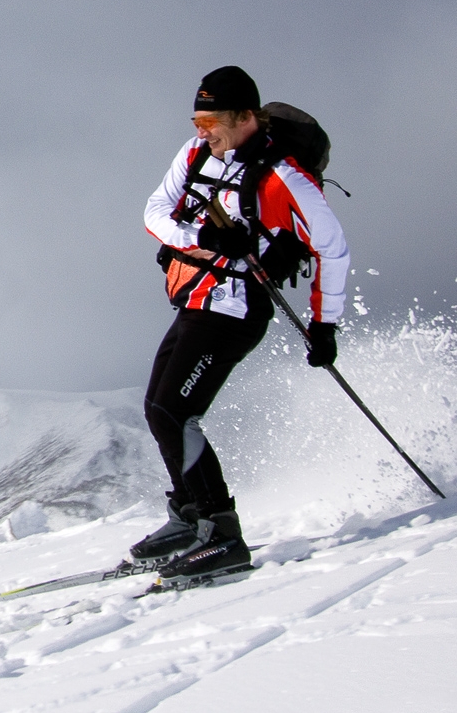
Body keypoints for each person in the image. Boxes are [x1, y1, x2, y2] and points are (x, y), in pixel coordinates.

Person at [131, 66, 350, 582]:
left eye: (211, 120)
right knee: (157, 408)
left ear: (246, 117)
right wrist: (201, 237)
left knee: (175, 411)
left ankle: (221, 532)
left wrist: (325, 325)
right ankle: (190, 518)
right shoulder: (195, 154)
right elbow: (155, 210)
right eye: (196, 118)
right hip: (197, 299)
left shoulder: (286, 177)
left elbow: (332, 249)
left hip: (237, 309)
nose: (201, 129)